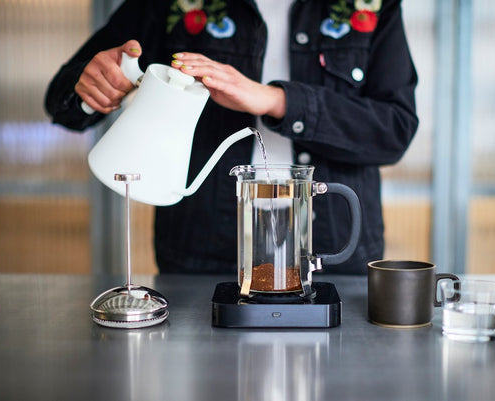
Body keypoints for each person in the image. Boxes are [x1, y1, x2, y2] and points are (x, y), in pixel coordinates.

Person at [45, 0, 418, 274]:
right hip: (203, 255)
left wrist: (276, 100)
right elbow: (61, 101)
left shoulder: (372, 6)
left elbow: (395, 128)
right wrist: (91, 85)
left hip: (333, 255)